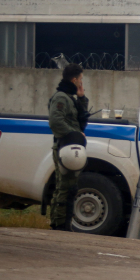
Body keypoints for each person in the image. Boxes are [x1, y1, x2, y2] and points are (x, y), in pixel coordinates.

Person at [48, 63, 90, 231]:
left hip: (71, 147)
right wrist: (75, 134)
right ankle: (59, 224)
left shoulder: (70, 98)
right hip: (64, 147)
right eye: (80, 79)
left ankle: (62, 223)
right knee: (64, 187)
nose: (81, 82)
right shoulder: (61, 98)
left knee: (70, 187)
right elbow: (56, 121)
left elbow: (81, 120)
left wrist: (81, 98)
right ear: (74, 80)